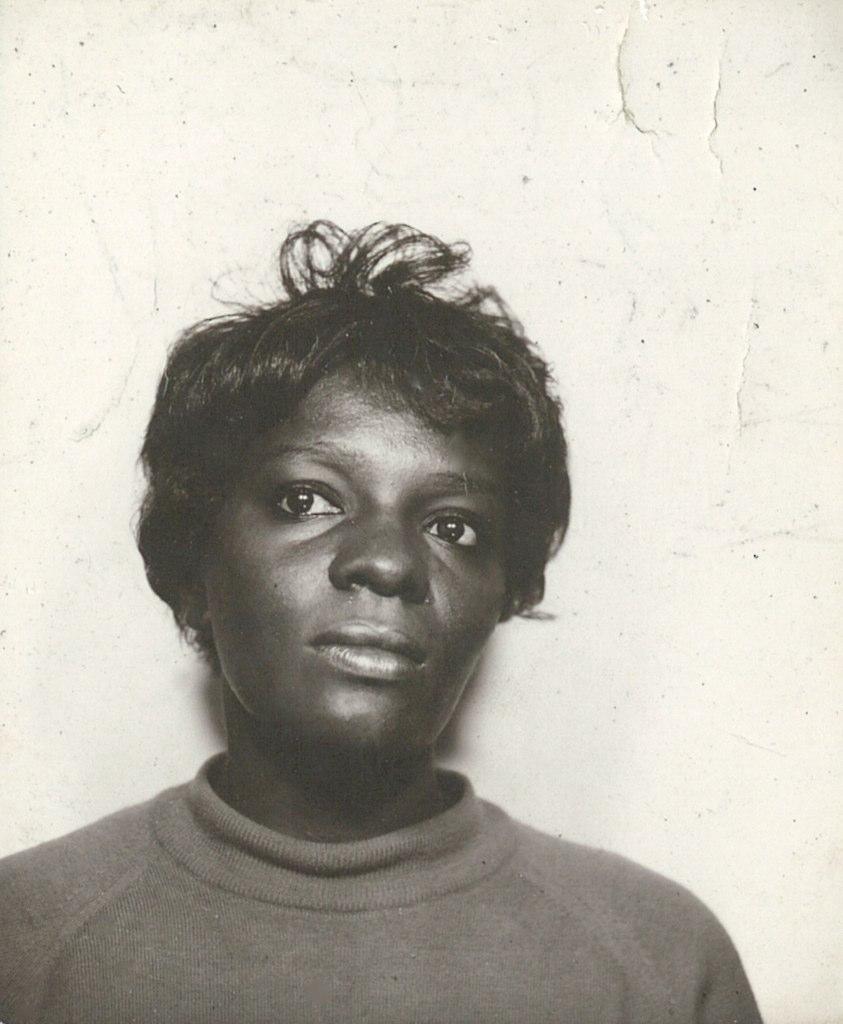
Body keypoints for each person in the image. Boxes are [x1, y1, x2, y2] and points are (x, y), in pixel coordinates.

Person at [0, 222, 762, 1023]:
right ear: (193, 564)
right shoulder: (27, 938)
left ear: (507, 590)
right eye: (306, 500)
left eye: (452, 525)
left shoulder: (657, 961)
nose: (388, 563)